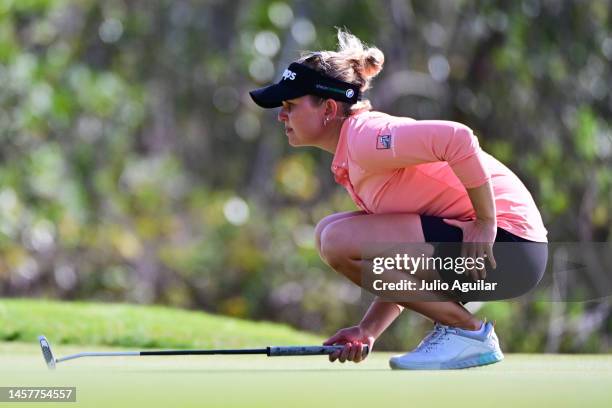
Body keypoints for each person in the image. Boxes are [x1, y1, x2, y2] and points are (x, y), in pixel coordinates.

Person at [249, 28, 548, 370]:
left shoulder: (365, 137)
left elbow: (459, 138)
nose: (281, 115)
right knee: (330, 231)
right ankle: (462, 329)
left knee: (336, 239)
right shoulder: (353, 151)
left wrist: (485, 220)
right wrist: (367, 330)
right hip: (499, 252)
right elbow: (394, 259)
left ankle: (467, 331)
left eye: (289, 105)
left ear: (329, 108)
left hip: (509, 250)